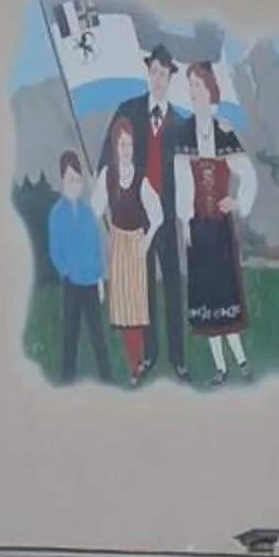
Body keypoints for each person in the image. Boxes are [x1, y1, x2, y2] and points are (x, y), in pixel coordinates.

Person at [105, 46, 195, 380]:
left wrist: (186, 215)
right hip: (137, 220)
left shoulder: (180, 123)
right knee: (142, 289)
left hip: (168, 220)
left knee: (173, 283)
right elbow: (111, 157)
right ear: (148, 72)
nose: (159, 78)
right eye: (155, 71)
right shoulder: (128, 112)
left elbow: (187, 175)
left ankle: (178, 357)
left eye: (165, 73)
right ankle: (149, 355)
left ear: (171, 78)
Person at [176, 61, 260, 385]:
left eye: (198, 85)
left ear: (210, 89)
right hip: (198, 228)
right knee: (207, 301)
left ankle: (241, 361)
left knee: (226, 298)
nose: (194, 91)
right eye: (191, 86)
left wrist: (239, 203)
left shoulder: (224, 132)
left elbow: (248, 174)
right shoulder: (184, 133)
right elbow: (183, 180)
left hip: (221, 229)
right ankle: (220, 367)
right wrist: (185, 221)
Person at [100, 122, 163, 383]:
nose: (126, 150)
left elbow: (158, 215)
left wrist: (147, 241)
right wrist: (105, 234)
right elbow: (95, 209)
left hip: (136, 244)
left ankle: (138, 364)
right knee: (123, 309)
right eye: (122, 145)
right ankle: (133, 363)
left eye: (130, 145)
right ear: (115, 147)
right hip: (117, 243)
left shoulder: (141, 179)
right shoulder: (107, 176)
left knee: (136, 307)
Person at [46, 151, 112, 383]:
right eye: (69, 180)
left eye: (77, 179)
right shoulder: (57, 214)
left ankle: (107, 378)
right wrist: (66, 272)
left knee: (98, 335)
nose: (74, 185)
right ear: (62, 181)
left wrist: (99, 279)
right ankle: (67, 378)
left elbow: (96, 246)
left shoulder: (87, 212)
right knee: (70, 334)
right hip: (72, 284)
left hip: (91, 283)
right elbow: (55, 250)